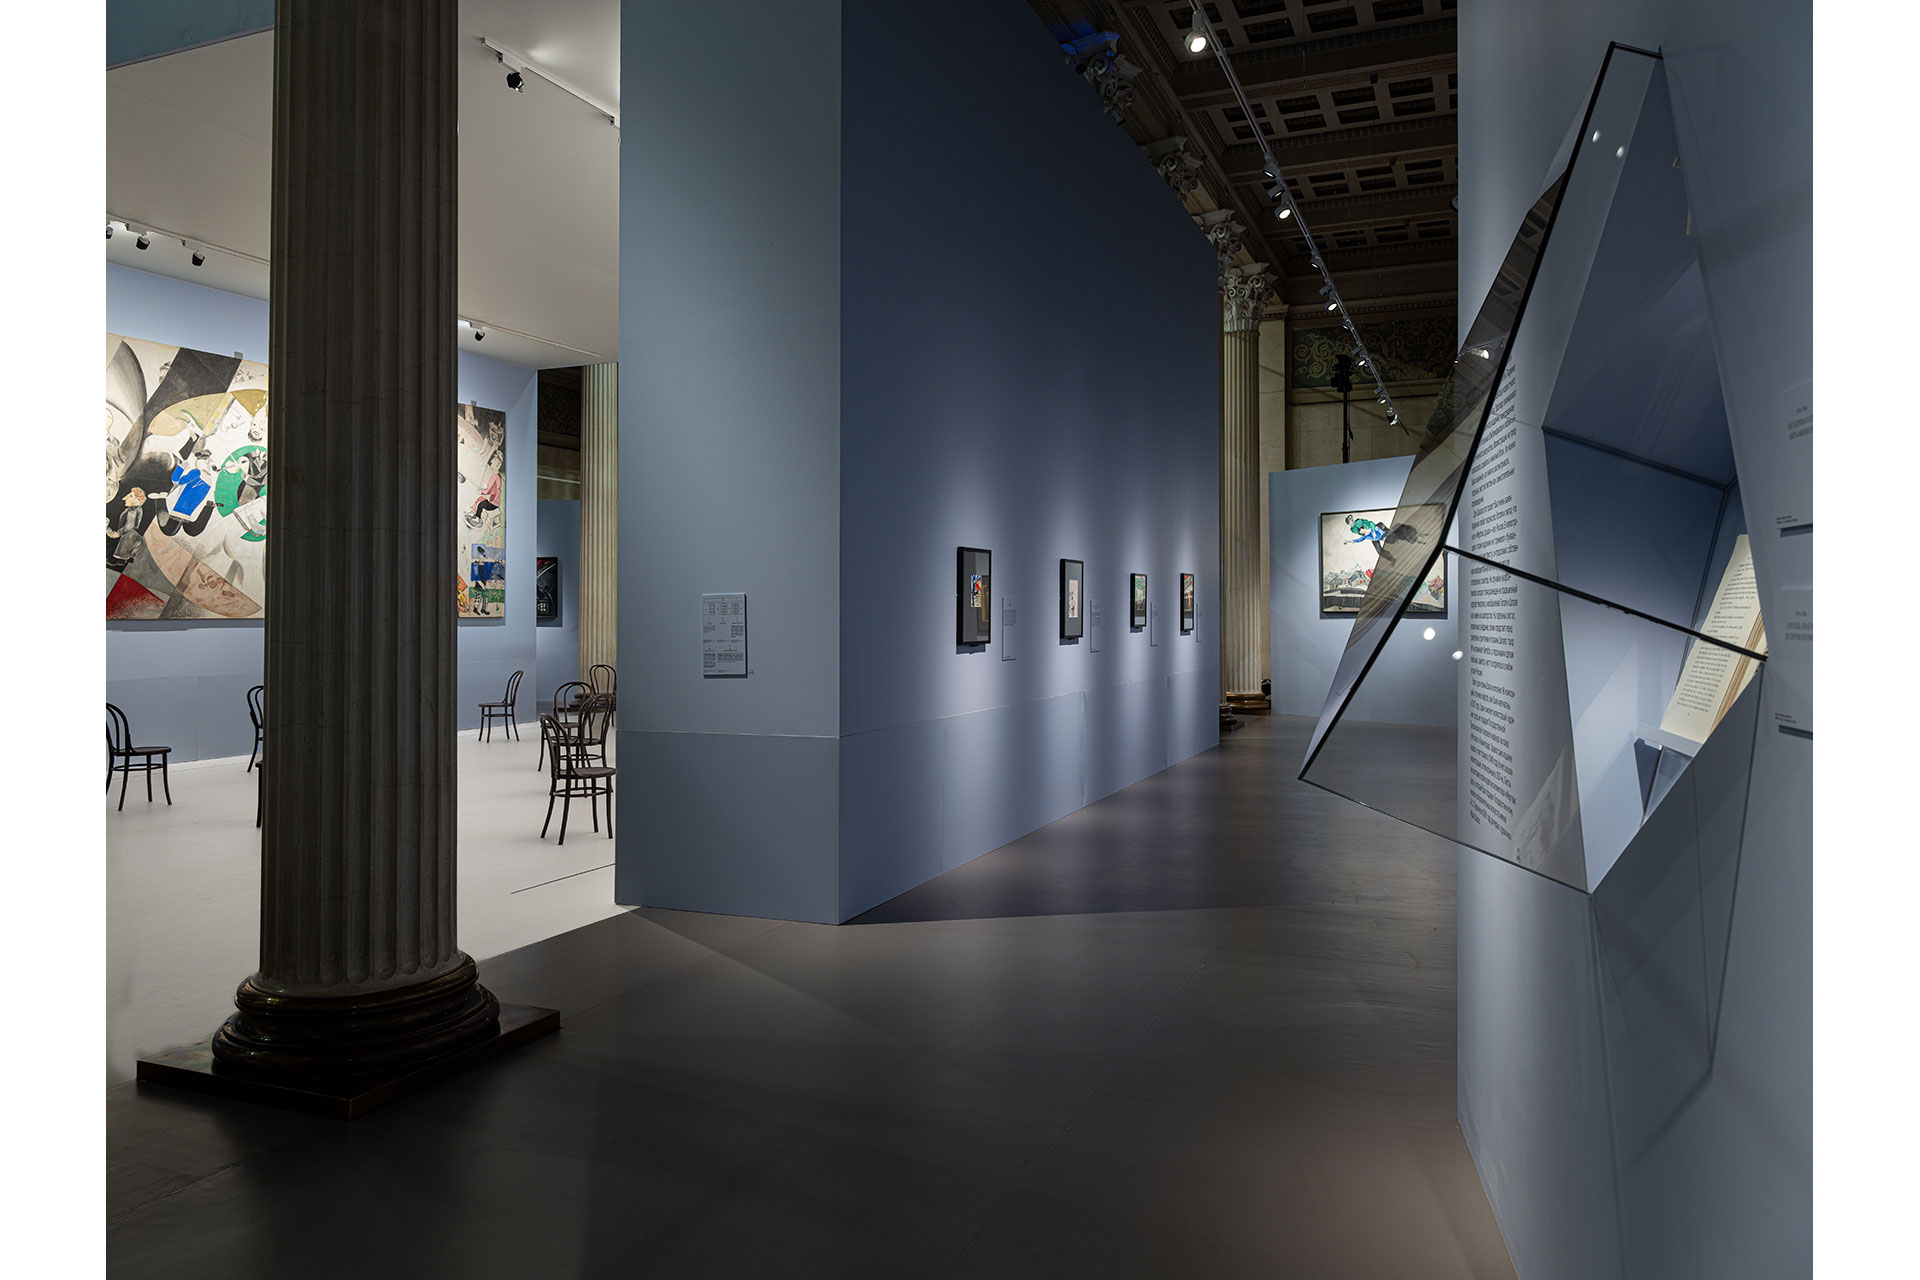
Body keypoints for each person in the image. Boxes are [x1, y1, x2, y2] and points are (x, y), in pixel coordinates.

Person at [107, 488, 149, 570]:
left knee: (122, 549)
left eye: (131, 496)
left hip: (127, 535)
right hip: (128, 534)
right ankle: (120, 560)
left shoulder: (132, 511)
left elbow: (129, 526)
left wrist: (118, 533)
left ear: (137, 500)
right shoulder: (135, 509)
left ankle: (118, 560)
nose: (126, 498)